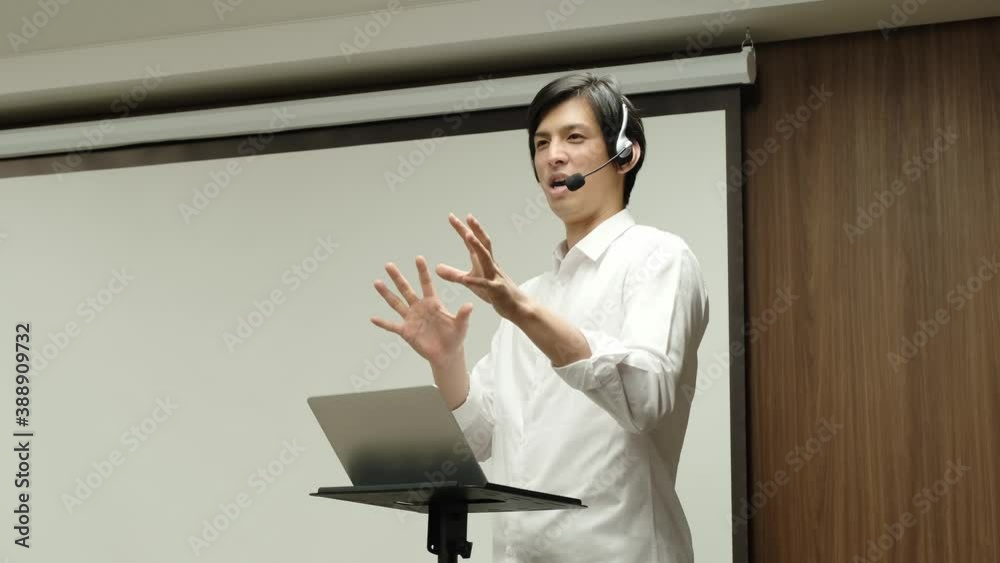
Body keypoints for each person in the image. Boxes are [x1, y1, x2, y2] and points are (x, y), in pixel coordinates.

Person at [370, 72, 709, 563]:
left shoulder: (658, 258)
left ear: (625, 154)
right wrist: (447, 362)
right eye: (541, 143)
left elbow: (646, 398)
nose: (553, 156)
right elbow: (479, 437)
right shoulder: (529, 295)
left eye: (574, 137)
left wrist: (523, 312)